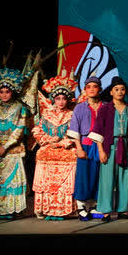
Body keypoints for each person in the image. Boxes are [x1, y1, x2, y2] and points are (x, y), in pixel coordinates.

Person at [0, 67, 32, 218]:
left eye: (7, 91)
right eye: (1, 92)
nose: (4, 94)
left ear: (13, 92)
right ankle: (0, 210)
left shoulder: (20, 108)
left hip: (13, 149)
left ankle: (12, 209)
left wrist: (5, 146)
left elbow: (19, 129)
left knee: (12, 180)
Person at [31, 70, 78, 220]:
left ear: (68, 99)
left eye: (64, 98)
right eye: (58, 98)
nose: (61, 102)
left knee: (71, 158)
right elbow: (37, 130)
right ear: (53, 99)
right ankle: (47, 209)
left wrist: (62, 143)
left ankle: (64, 210)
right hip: (48, 148)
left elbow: (75, 133)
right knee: (41, 155)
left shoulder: (72, 114)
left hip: (66, 150)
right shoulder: (47, 114)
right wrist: (49, 140)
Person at [69, 76, 110, 221]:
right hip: (85, 144)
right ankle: (81, 207)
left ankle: (93, 206)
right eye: (89, 87)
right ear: (85, 90)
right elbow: (75, 129)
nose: (92, 89)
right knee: (83, 176)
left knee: (98, 176)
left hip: (102, 146)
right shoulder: (80, 108)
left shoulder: (106, 107)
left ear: (100, 89)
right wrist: (79, 148)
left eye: (95, 86)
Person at [96, 77, 128, 220]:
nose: (120, 92)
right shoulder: (105, 109)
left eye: (122, 89)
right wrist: (101, 150)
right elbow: (98, 131)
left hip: (126, 146)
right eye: (116, 89)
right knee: (107, 180)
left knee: (125, 177)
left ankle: (123, 210)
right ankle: (105, 211)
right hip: (109, 146)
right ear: (111, 92)